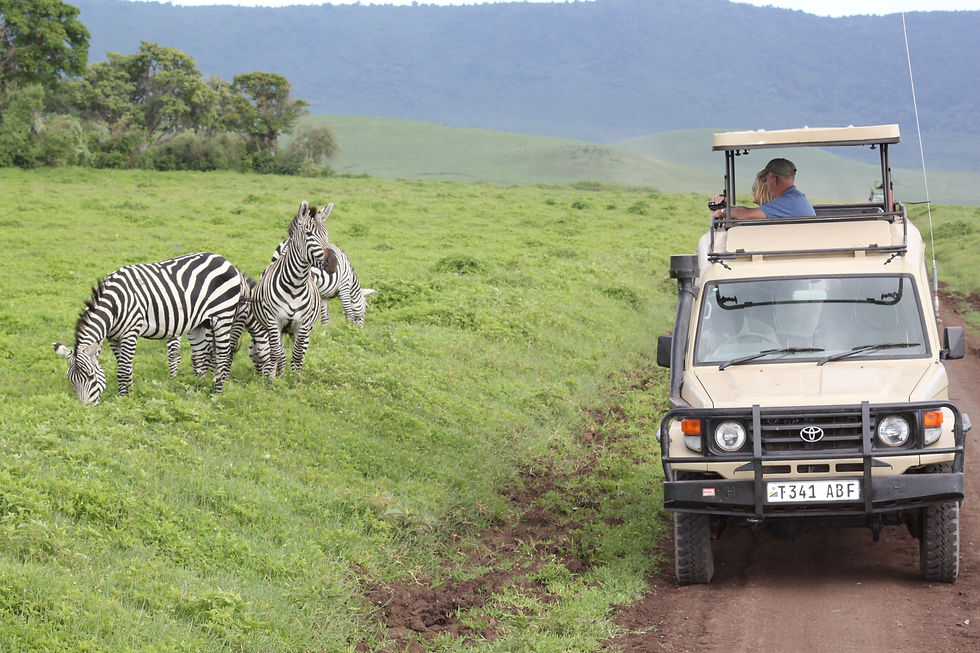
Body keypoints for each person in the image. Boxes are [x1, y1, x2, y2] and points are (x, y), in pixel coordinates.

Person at [712, 158, 815, 220]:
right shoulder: (796, 198)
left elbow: (746, 214)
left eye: (765, 180)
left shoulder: (786, 202)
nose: (766, 184)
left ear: (773, 180)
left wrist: (722, 212)